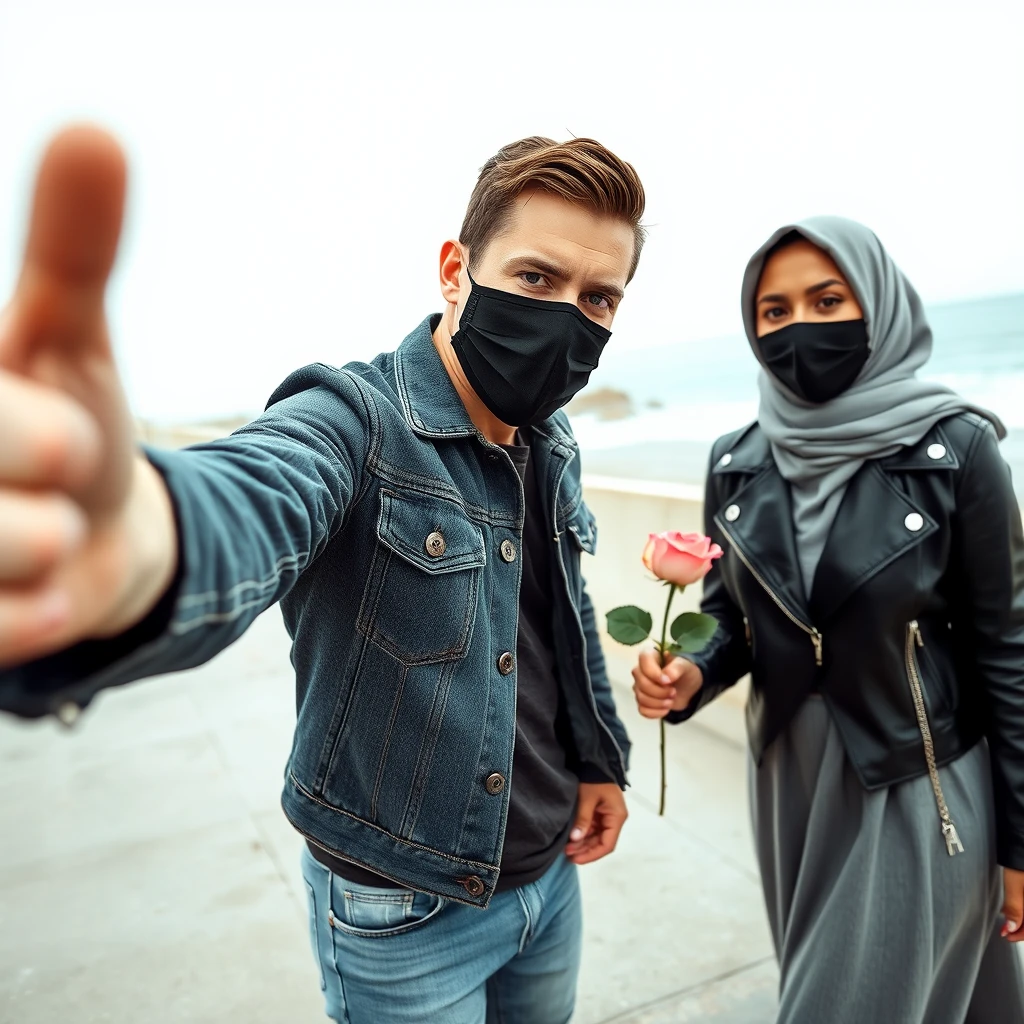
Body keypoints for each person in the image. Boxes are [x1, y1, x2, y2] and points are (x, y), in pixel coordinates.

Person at [0, 127, 641, 1024]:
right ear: (456, 270)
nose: (567, 315)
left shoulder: (552, 441)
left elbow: (563, 616)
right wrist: (149, 542)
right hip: (403, 911)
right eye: (536, 278)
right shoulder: (355, 419)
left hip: (548, 882)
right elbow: (255, 495)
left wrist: (599, 758)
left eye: (600, 297)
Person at [632, 217, 1024, 1023]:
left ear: (876, 305)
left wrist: (1021, 840)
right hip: (787, 779)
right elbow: (728, 618)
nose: (799, 326)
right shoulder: (736, 459)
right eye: (773, 312)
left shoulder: (956, 448)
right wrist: (691, 674)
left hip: (916, 779)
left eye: (827, 298)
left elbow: (1009, 651)